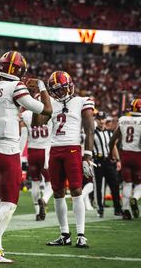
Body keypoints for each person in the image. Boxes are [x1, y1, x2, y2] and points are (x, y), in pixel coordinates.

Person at [0, 50, 52, 263]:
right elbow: (43, 109)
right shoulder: (16, 86)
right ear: (19, 70)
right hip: (8, 150)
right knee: (10, 202)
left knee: (0, 199)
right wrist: (42, 87)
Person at [31, 71, 95, 248]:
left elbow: (90, 129)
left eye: (61, 89)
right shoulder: (50, 102)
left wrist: (87, 155)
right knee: (58, 193)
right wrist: (37, 104)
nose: (59, 93)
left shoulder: (82, 101)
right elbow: (37, 124)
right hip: (54, 149)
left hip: (73, 149)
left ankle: (81, 234)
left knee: (76, 190)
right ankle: (64, 233)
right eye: (55, 90)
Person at [109, 98, 141, 220]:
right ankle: (135, 198)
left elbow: (113, 140)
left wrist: (111, 154)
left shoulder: (123, 120)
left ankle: (125, 210)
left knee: (127, 183)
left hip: (125, 154)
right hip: (140, 155)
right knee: (140, 183)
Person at [20, 100, 53, 221]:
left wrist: (18, 154)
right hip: (45, 151)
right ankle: (44, 200)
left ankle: (38, 213)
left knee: (35, 182)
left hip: (32, 152)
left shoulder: (27, 114)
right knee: (51, 182)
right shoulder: (50, 112)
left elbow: (23, 137)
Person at [93, 111, 122, 218]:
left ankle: (117, 208)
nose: (101, 121)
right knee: (99, 187)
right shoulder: (92, 133)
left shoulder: (110, 133)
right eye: (99, 119)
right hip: (98, 161)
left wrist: (118, 160)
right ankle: (100, 208)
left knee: (115, 185)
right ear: (96, 120)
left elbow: (113, 146)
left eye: (103, 119)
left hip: (109, 161)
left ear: (105, 120)